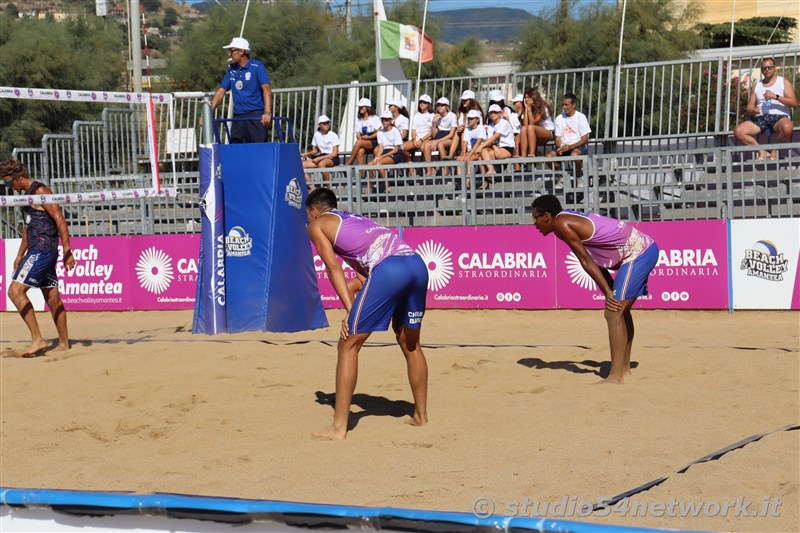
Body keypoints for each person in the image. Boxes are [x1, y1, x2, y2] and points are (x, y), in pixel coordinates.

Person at [305, 187, 429, 439]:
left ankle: (339, 428)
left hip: (390, 268)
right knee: (410, 343)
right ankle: (420, 416)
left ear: (315, 212)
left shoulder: (317, 225)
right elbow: (363, 277)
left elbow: (333, 269)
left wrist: (350, 313)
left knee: (348, 344)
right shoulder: (356, 220)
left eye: (308, 216)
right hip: (417, 264)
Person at [530, 194, 658, 385]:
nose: (534, 224)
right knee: (620, 311)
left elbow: (585, 260)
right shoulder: (566, 219)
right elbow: (595, 264)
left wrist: (608, 293)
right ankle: (624, 369)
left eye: (535, 218)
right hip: (641, 249)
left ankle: (615, 377)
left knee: (613, 313)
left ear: (546, 216)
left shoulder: (560, 224)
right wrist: (609, 290)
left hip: (639, 252)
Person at [1, 160, 76, 358]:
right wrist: (19, 254)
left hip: (43, 251)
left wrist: (67, 249)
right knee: (53, 299)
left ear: (19, 177)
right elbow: (29, 227)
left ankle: (37, 339)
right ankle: (64, 344)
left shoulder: (41, 192)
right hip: (38, 250)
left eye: (9, 184)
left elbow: (60, 219)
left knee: (15, 291)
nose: (10, 189)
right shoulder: (26, 197)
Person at [733, 57, 798, 161]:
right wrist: (752, 110)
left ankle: (774, 151)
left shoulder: (783, 82)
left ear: (775, 68)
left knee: (787, 127)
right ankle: (761, 152)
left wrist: (776, 97)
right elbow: (749, 106)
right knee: (739, 131)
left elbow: (794, 103)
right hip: (761, 117)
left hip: (779, 117)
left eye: (769, 67)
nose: (767, 70)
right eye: (764, 68)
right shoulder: (757, 85)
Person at [211, 37, 272, 144]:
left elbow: (266, 89)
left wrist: (267, 112)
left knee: (257, 150)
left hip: (255, 116)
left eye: (231, 51)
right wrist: (209, 113)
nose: (229, 54)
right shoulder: (231, 70)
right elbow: (221, 91)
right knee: (236, 149)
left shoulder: (257, 66)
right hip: (238, 117)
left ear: (242, 51)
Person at [546, 93, 591, 181]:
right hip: (564, 147)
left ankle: (579, 177)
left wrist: (570, 147)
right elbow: (557, 138)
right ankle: (560, 177)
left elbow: (585, 139)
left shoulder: (581, 117)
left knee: (574, 155)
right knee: (548, 156)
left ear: (574, 105)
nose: (564, 107)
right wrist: (561, 147)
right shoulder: (559, 118)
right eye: (563, 104)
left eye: (566, 105)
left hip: (578, 147)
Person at [367, 110, 404, 193]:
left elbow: (396, 149)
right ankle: (371, 188)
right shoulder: (380, 133)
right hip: (386, 152)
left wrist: (381, 157)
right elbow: (380, 148)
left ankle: (387, 185)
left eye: (386, 119)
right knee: (370, 164)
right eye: (383, 119)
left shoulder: (395, 131)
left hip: (396, 153)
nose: (384, 121)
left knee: (378, 163)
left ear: (391, 120)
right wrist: (377, 157)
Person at [479, 104, 516, 187]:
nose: (492, 114)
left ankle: (487, 179)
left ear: (500, 113)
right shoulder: (491, 126)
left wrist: (481, 146)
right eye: (491, 113)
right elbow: (491, 141)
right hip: (496, 147)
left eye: (495, 113)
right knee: (481, 154)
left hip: (507, 148)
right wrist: (495, 148)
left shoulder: (504, 123)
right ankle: (491, 171)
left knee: (482, 154)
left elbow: (495, 137)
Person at [302, 115, 340, 188]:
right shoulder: (317, 135)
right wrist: (308, 153)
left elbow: (335, 153)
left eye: (327, 123)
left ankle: (329, 189)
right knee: (300, 165)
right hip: (322, 156)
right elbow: (317, 149)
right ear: (320, 125)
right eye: (324, 123)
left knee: (321, 164)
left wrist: (319, 158)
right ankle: (312, 188)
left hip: (332, 157)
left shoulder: (333, 135)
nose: (326, 125)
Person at [422, 97, 457, 176]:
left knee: (440, 144)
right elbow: (434, 134)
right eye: (438, 105)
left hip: (448, 137)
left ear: (447, 107)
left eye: (442, 105)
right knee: (426, 145)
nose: (440, 107)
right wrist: (434, 123)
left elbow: (451, 134)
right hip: (439, 136)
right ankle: (429, 170)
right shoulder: (436, 117)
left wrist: (437, 141)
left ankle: (446, 168)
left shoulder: (452, 115)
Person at [345, 98, 382, 167]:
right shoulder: (359, 120)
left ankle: (349, 163)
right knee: (360, 151)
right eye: (359, 107)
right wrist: (362, 138)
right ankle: (360, 174)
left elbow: (378, 133)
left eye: (362, 107)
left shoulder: (374, 118)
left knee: (358, 142)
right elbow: (358, 134)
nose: (360, 108)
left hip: (374, 140)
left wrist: (368, 137)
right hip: (364, 140)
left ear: (367, 107)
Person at [456, 109, 487, 187]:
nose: (469, 120)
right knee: (459, 160)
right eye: (469, 118)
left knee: (468, 160)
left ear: (477, 120)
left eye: (472, 118)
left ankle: (467, 182)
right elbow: (464, 143)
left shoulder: (481, 127)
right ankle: (461, 181)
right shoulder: (467, 129)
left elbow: (478, 143)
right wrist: (463, 155)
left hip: (479, 151)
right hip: (471, 151)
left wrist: (468, 156)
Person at [522, 88, 555, 157]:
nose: (526, 100)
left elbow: (532, 123)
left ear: (534, 97)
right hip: (535, 133)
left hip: (548, 132)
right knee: (523, 129)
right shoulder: (529, 108)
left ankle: (531, 154)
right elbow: (525, 125)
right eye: (525, 98)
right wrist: (526, 109)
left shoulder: (544, 108)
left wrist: (529, 108)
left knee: (531, 127)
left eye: (528, 97)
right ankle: (523, 156)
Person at [402, 94, 434, 162]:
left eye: (424, 102)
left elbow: (431, 132)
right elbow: (413, 130)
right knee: (402, 148)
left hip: (426, 139)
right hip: (416, 139)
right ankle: (410, 166)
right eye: (420, 102)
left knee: (424, 148)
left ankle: (428, 170)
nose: (422, 104)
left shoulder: (432, 115)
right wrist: (414, 140)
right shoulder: (416, 115)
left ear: (429, 104)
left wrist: (421, 140)